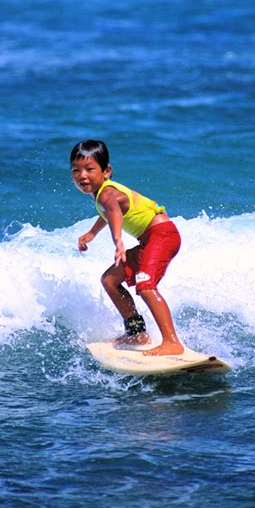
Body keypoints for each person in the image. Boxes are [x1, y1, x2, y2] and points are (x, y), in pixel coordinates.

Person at [70, 139, 184, 356]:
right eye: (76, 170)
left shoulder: (106, 194)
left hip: (163, 235)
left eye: (89, 169)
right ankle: (137, 333)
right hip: (151, 239)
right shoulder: (102, 194)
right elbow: (110, 212)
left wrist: (118, 242)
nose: (82, 175)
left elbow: (113, 210)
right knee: (110, 280)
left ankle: (172, 342)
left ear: (106, 171)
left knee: (145, 284)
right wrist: (92, 233)